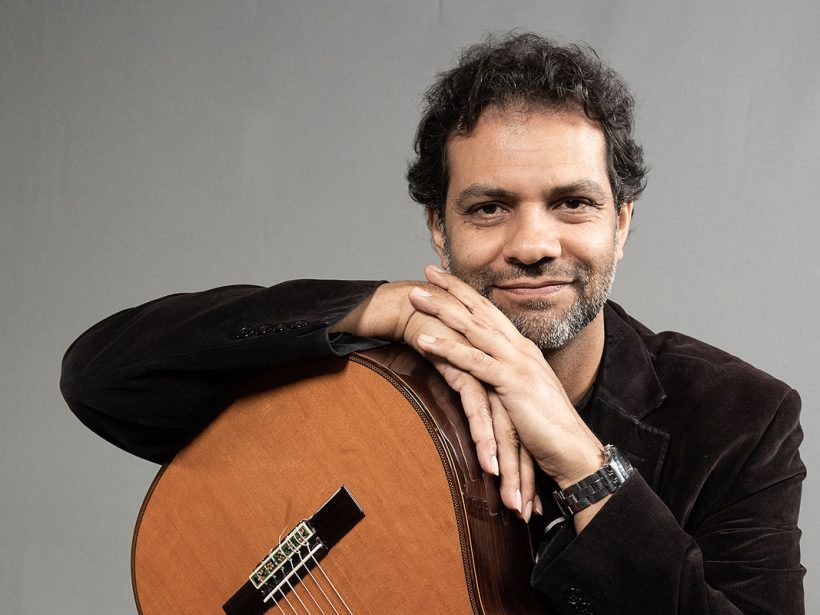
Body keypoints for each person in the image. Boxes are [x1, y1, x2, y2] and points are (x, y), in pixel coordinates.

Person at [60, 32, 805, 614]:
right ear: (439, 231)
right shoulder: (358, 373)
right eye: (490, 207)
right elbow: (103, 379)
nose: (533, 243)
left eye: (572, 203)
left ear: (623, 222)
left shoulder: (741, 421)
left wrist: (584, 464)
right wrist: (380, 306)